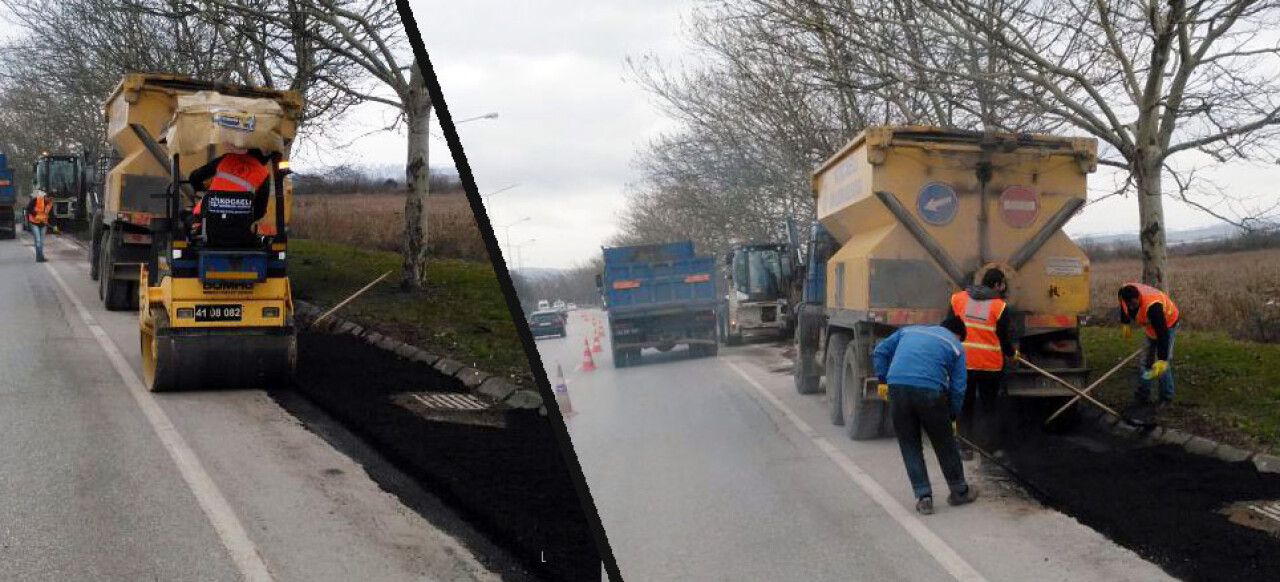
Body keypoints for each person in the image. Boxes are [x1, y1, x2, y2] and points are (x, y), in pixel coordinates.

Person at [873, 316, 979, 515]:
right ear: (958, 334)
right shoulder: (955, 345)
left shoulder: (908, 331)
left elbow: (880, 351)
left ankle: (924, 497)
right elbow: (958, 387)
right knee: (944, 442)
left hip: (897, 386)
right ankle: (959, 491)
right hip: (929, 390)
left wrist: (882, 379)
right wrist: (952, 416)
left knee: (909, 443)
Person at [949, 270, 1016, 457]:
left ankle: (965, 447)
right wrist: (1013, 354)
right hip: (989, 366)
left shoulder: (958, 299)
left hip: (964, 362)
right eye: (1002, 284)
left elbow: (949, 326)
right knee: (989, 406)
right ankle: (990, 448)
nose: (1003, 288)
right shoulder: (1000, 307)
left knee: (965, 404)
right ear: (996, 285)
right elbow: (1003, 338)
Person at [185, 147, 281, 239]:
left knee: (186, 217)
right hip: (240, 230)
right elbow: (259, 211)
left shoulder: (226, 159)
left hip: (208, 225)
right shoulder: (263, 173)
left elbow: (194, 177)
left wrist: (203, 188)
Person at [1118, 282, 1180, 405]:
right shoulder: (1123, 294)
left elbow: (1163, 335)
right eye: (1128, 304)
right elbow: (1123, 307)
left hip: (1167, 324)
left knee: (1162, 366)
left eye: (1133, 304)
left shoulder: (1153, 306)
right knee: (1145, 362)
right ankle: (1143, 394)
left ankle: (1166, 398)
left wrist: (1162, 358)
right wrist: (1125, 322)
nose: (1131, 307)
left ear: (1138, 298)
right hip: (1151, 327)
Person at [25, 190, 52, 262]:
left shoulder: (49, 204)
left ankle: (39, 257)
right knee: (38, 240)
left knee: (42, 242)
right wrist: (37, 215)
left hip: (43, 224)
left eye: (50, 199)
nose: (48, 200)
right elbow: (28, 209)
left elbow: (51, 215)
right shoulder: (36, 200)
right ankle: (40, 257)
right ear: (45, 197)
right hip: (34, 223)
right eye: (47, 198)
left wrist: (55, 225)